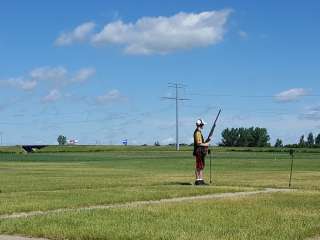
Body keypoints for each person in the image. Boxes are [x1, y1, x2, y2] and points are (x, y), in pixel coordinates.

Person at [193, 119, 210, 185]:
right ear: (200, 125)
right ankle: (198, 180)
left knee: (201, 165)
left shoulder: (199, 132)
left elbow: (201, 142)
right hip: (199, 151)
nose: (203, 126)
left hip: (200, 151)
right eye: (203, 125)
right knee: (198, 165)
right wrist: (206, 144)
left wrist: (207, 140)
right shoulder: (197, 133)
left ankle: (201, 180)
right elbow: (199, 143)